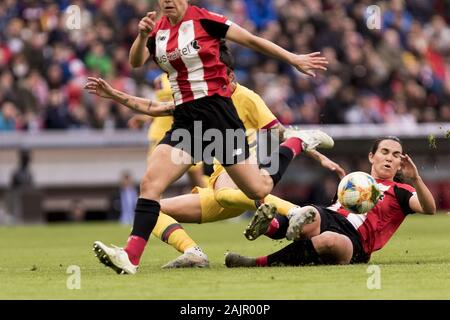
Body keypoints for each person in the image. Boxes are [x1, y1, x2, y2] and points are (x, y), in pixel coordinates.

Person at [90, 0, 331, 275]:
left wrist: (293, 59)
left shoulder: (205, 21)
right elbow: (135, 63)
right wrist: (142, 34)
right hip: (186, 121)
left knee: (258, 190)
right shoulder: (157, 31)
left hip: (219, 118)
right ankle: (130, 257)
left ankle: (295, 143)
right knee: (150, 184)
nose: (167, 1)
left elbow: (252, 40)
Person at [224, 136, 437, 267]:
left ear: (401, 164)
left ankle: (258, 258)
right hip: (329, 216)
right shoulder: (355, 180)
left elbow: (430, 209)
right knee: (310, 213)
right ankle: (271, 226)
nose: (390, 158)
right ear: (372, 157)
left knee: (330, 240)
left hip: (356, 242)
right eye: (385, 152)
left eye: (396, 155)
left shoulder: (402, 191)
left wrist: (416, 178)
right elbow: (333, 207)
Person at [128, 74, 207, 189]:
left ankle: (212, 201)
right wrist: (145, 118)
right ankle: (153, 206)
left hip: (187, 133)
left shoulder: (192, 76)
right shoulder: (159, 80)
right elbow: (160, 107)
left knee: (196, 180)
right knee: (152, 179)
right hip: (160, 134)